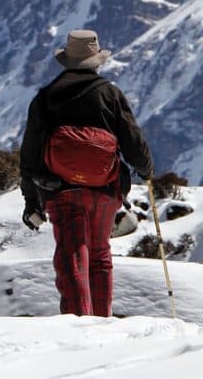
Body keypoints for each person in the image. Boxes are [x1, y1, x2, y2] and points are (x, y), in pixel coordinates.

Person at [19, 28, 154, 317]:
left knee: (72, 253)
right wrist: (146, 169)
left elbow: (29, 154)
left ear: (66, 60)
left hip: (60, 190)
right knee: (99, 254)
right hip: (105, 189)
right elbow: (132, 140)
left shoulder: (45, 99)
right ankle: (102, 320)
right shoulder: (110, 94)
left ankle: (79, 322)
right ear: (97, 61)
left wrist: (32, 200)